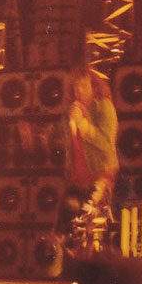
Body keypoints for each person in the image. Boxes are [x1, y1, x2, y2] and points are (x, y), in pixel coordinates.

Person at [56, 65, 119, 249]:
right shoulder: (71, 111)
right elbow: (58, 138)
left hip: (100, 176)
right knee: (66, 223)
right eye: (76, 86)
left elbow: (106, 145)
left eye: (83, 85)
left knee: (86, 220)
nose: (79, 90)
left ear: (94, 87)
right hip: (77, 181)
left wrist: (84, 126)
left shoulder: (103, 107)